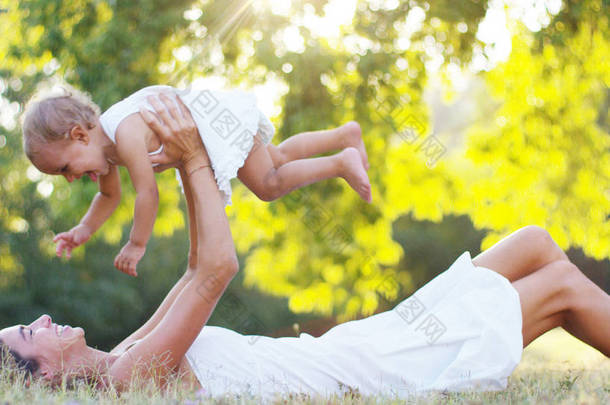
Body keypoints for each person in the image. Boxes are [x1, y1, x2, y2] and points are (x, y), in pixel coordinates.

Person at [2, 95, 609, 400]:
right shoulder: (132, 378)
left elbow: (191, 272)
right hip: (375, 373)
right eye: (29, 334)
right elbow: (217, 270)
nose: (43, 319)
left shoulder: (127, 352)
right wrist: (190, 157)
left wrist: (196, 152)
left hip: (351, 347)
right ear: (42, 377)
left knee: (532, 244)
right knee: (560, 288)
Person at [21, 85, 371, 277]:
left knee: (268, 184)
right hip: (206, 118)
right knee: (275, 157)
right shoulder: (106, 153)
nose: (69, 179)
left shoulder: (124, 135)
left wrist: (136, 244)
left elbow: (148, 194)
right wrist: (82, 230)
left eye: (64, 168)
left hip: (209, 120)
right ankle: (344, 135)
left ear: (80, 135)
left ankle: (341, 162)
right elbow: (109, 197)